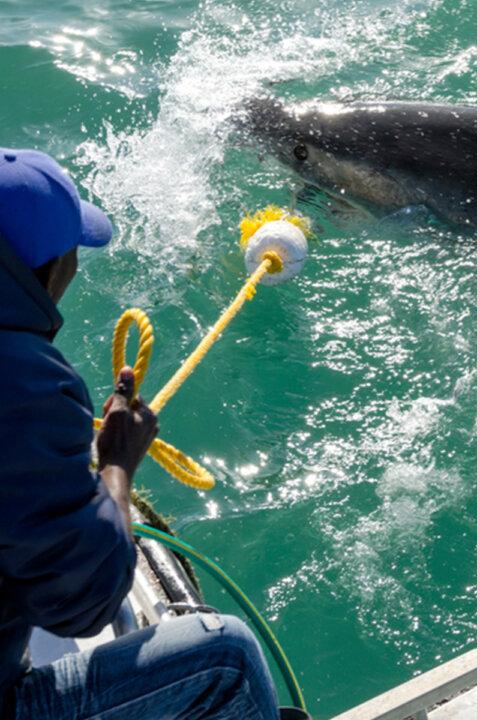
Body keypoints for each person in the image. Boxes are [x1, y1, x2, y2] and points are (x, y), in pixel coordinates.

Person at [0, 148, 295, 720]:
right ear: (47, 268)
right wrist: (116, 463)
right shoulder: (25, 384)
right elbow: (83, 603)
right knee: (225, 660)